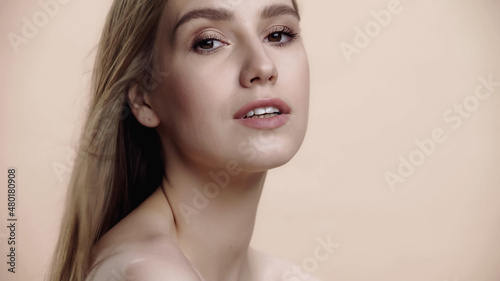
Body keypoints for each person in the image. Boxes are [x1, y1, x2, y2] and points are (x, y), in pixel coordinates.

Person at [48, 0, 313, 280]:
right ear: (143, 99)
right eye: (209, 42)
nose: (263, 65)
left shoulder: (284, 275)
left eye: (278, 35)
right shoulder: (147, 272)